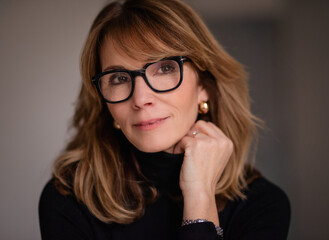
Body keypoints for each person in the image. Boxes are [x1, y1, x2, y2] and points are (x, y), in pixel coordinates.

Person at [39, 0, 290, 239]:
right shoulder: (68, 198)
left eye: (165, 68)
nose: (140, 98)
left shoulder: (262, 205)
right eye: (118, 78)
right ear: (104, 101)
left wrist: (199, 196)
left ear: (204, 84)